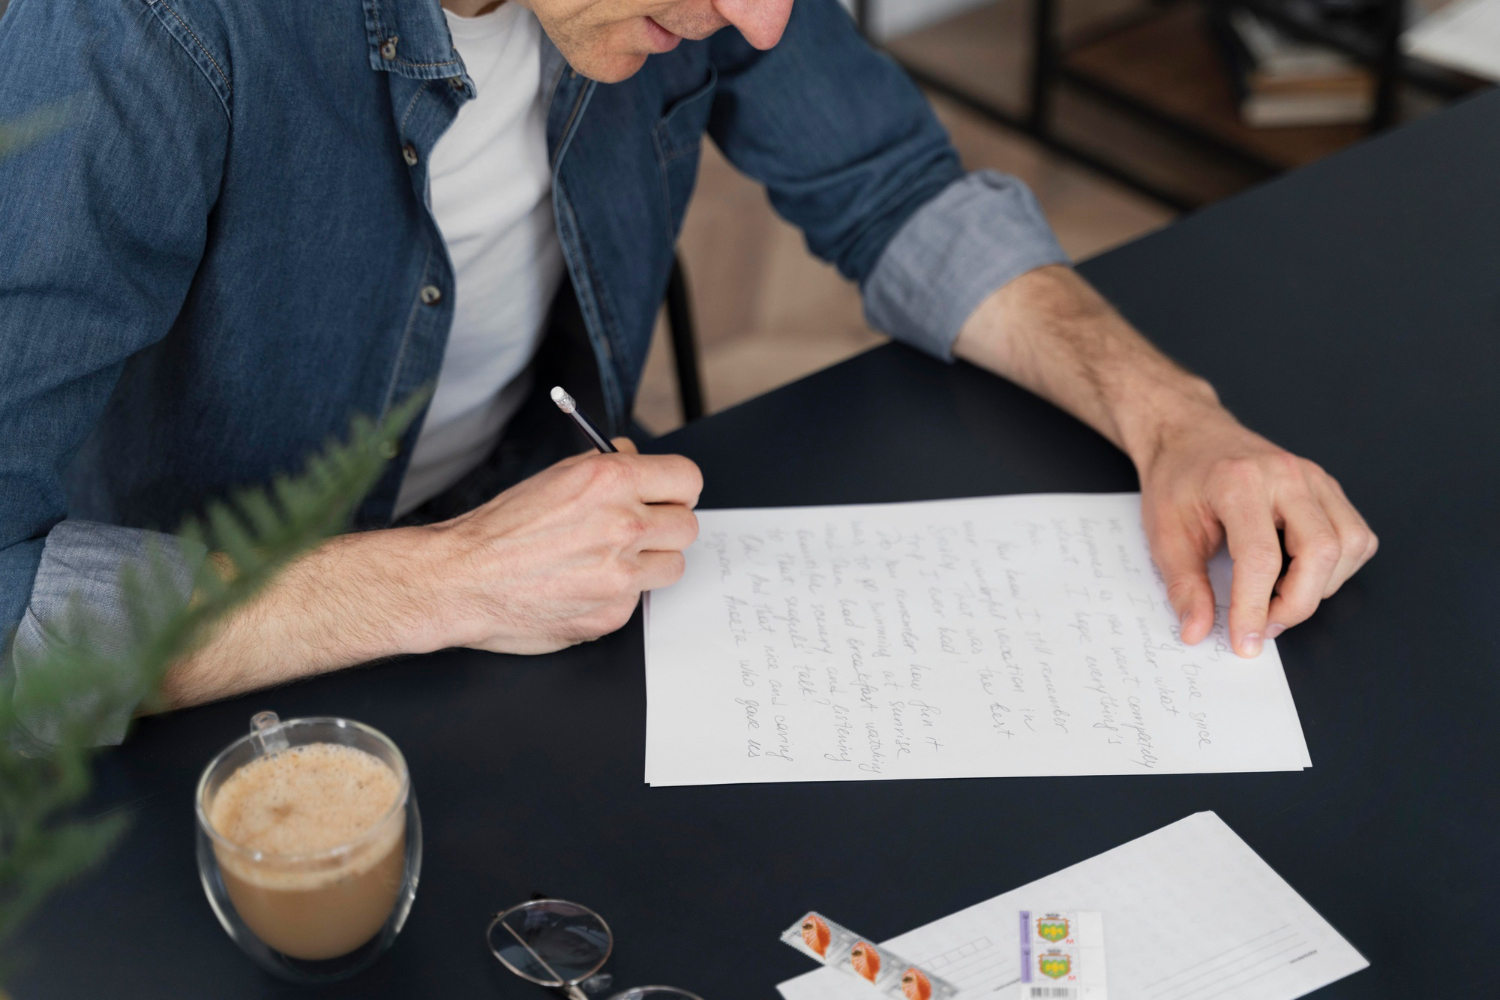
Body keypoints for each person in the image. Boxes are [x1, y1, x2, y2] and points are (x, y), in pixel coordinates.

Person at [0, 0, 1375, 748]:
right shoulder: (131, 33)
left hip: (541, 562)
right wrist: (447, 578)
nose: (764, 27)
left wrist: (1175, 418)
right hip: (211, 669)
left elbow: (894, 187)